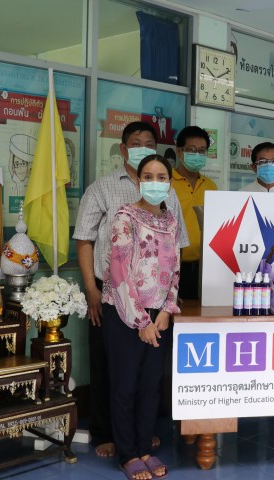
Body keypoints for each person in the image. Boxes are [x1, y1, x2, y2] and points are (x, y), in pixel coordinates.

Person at [74, 121, 189, 459]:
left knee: (148, 379)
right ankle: (112, 438)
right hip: (117, 298)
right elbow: (90, 243)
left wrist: (167, 307)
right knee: (112, 372)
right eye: (136, 143)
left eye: (149, 143)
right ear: (124, 149)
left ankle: (141, 438)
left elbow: (176, 256)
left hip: (158, 303)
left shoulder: (169, 207)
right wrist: (92, 289)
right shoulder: (107, 193)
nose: (155, 182)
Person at [103, 154, 178, 480]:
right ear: (138, 181)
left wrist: (167, 309)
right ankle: (128, 454)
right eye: (148, 176)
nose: (154, 182)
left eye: (161, 177)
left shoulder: (170, 219)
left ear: (169, 183)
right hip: (125, 313)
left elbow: (174, 267)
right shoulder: (125, 217)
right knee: (125, 385)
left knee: (151, 385)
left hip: (158, 314)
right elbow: (119, 271)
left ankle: (145, 447)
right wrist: (141, 321)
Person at [171, 126, 218, 299]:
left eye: (202, 151)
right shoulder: (166, 183)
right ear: (179, 151)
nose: (197, 155)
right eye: (191, 150)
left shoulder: (211, 186)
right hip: (171, 267)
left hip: (204, 267)